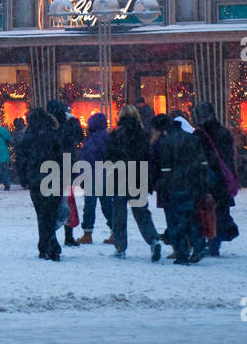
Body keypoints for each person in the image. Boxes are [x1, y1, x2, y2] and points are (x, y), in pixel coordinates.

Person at [104, 105, 163, 261]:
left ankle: (120, 247)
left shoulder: (115, 135)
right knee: (142, 213)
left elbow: (108, 158)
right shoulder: (143, 135)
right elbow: (148, 157)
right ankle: (153, 240)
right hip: (138, 177)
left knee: (119, 214)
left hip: (120, 178)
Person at [154, 115, 209, 264]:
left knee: (176, 221)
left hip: (175, 184)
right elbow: (202, 162)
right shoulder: (192, 139)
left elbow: (166, 168)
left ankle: (182, 253)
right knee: (191, 217)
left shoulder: (166, 142)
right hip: (192, 182)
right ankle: (199, 245)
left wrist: (161, 184)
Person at [16, 108, 65, 260]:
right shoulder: (54, 136)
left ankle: (45, 246)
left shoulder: (27, 138)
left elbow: (21, 160)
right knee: (51, 213)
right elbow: (62, 158)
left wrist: (24, 178)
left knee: (42, 214)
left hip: (36, 179)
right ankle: (50, 246)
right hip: (53, 178)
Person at [192, 101, 239, 256]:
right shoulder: (224, 132)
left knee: (206, 211)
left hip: (207, 177)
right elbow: (229, 156)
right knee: (220, 210)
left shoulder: (199, 134)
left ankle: (212, 242)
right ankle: (216, 242)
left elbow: (199, 157)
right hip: (223, 177)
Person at [47, 99, 84, 247]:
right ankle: (68, 234)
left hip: (52, 168)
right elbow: (80, 136)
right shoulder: (68, 127)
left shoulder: (49, 127)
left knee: (52, 204)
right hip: (67, 167)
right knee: (68, 201)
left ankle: (52, 234)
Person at [75, 112, 111, 243]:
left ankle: (87, 233)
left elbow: (87, 159)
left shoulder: (92, 140)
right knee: (107, 205)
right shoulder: (108, 137)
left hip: (93, 175)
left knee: (89, 205)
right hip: (107, 175)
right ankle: (114, 231)